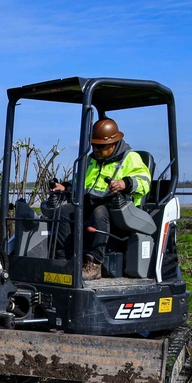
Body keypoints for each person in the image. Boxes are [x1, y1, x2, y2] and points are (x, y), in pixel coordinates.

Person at [47, 118, 152, 280]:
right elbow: (79, 182)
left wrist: (125, 183)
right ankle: (63, 260)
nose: (95, 149)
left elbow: (145, 182)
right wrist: (65, 187)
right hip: (91, 204)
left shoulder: (131, 158)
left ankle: (94, 263)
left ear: (113, 143)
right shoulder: (91, 161)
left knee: (99, 212)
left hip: (120, 211)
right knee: (64, 211)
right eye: (93, 145)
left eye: (100, 146)